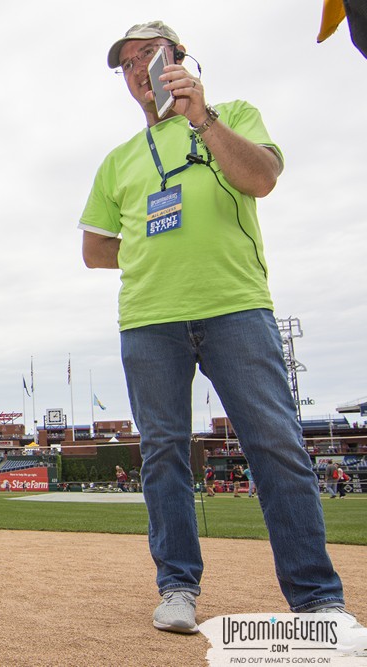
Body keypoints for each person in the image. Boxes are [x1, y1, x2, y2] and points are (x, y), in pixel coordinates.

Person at [79, 20, 353, 635]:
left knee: (276, 446)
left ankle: (314, 597)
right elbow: (95, 249)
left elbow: (260, 178)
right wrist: (154, 246)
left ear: (176, 56)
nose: (135, 70)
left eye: (146, 55)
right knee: (163, 454)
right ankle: (177, 588)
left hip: (235, 306)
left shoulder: (232, 114)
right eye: (125, 64)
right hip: (150, 318)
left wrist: (202, 118)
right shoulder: (118, 160)